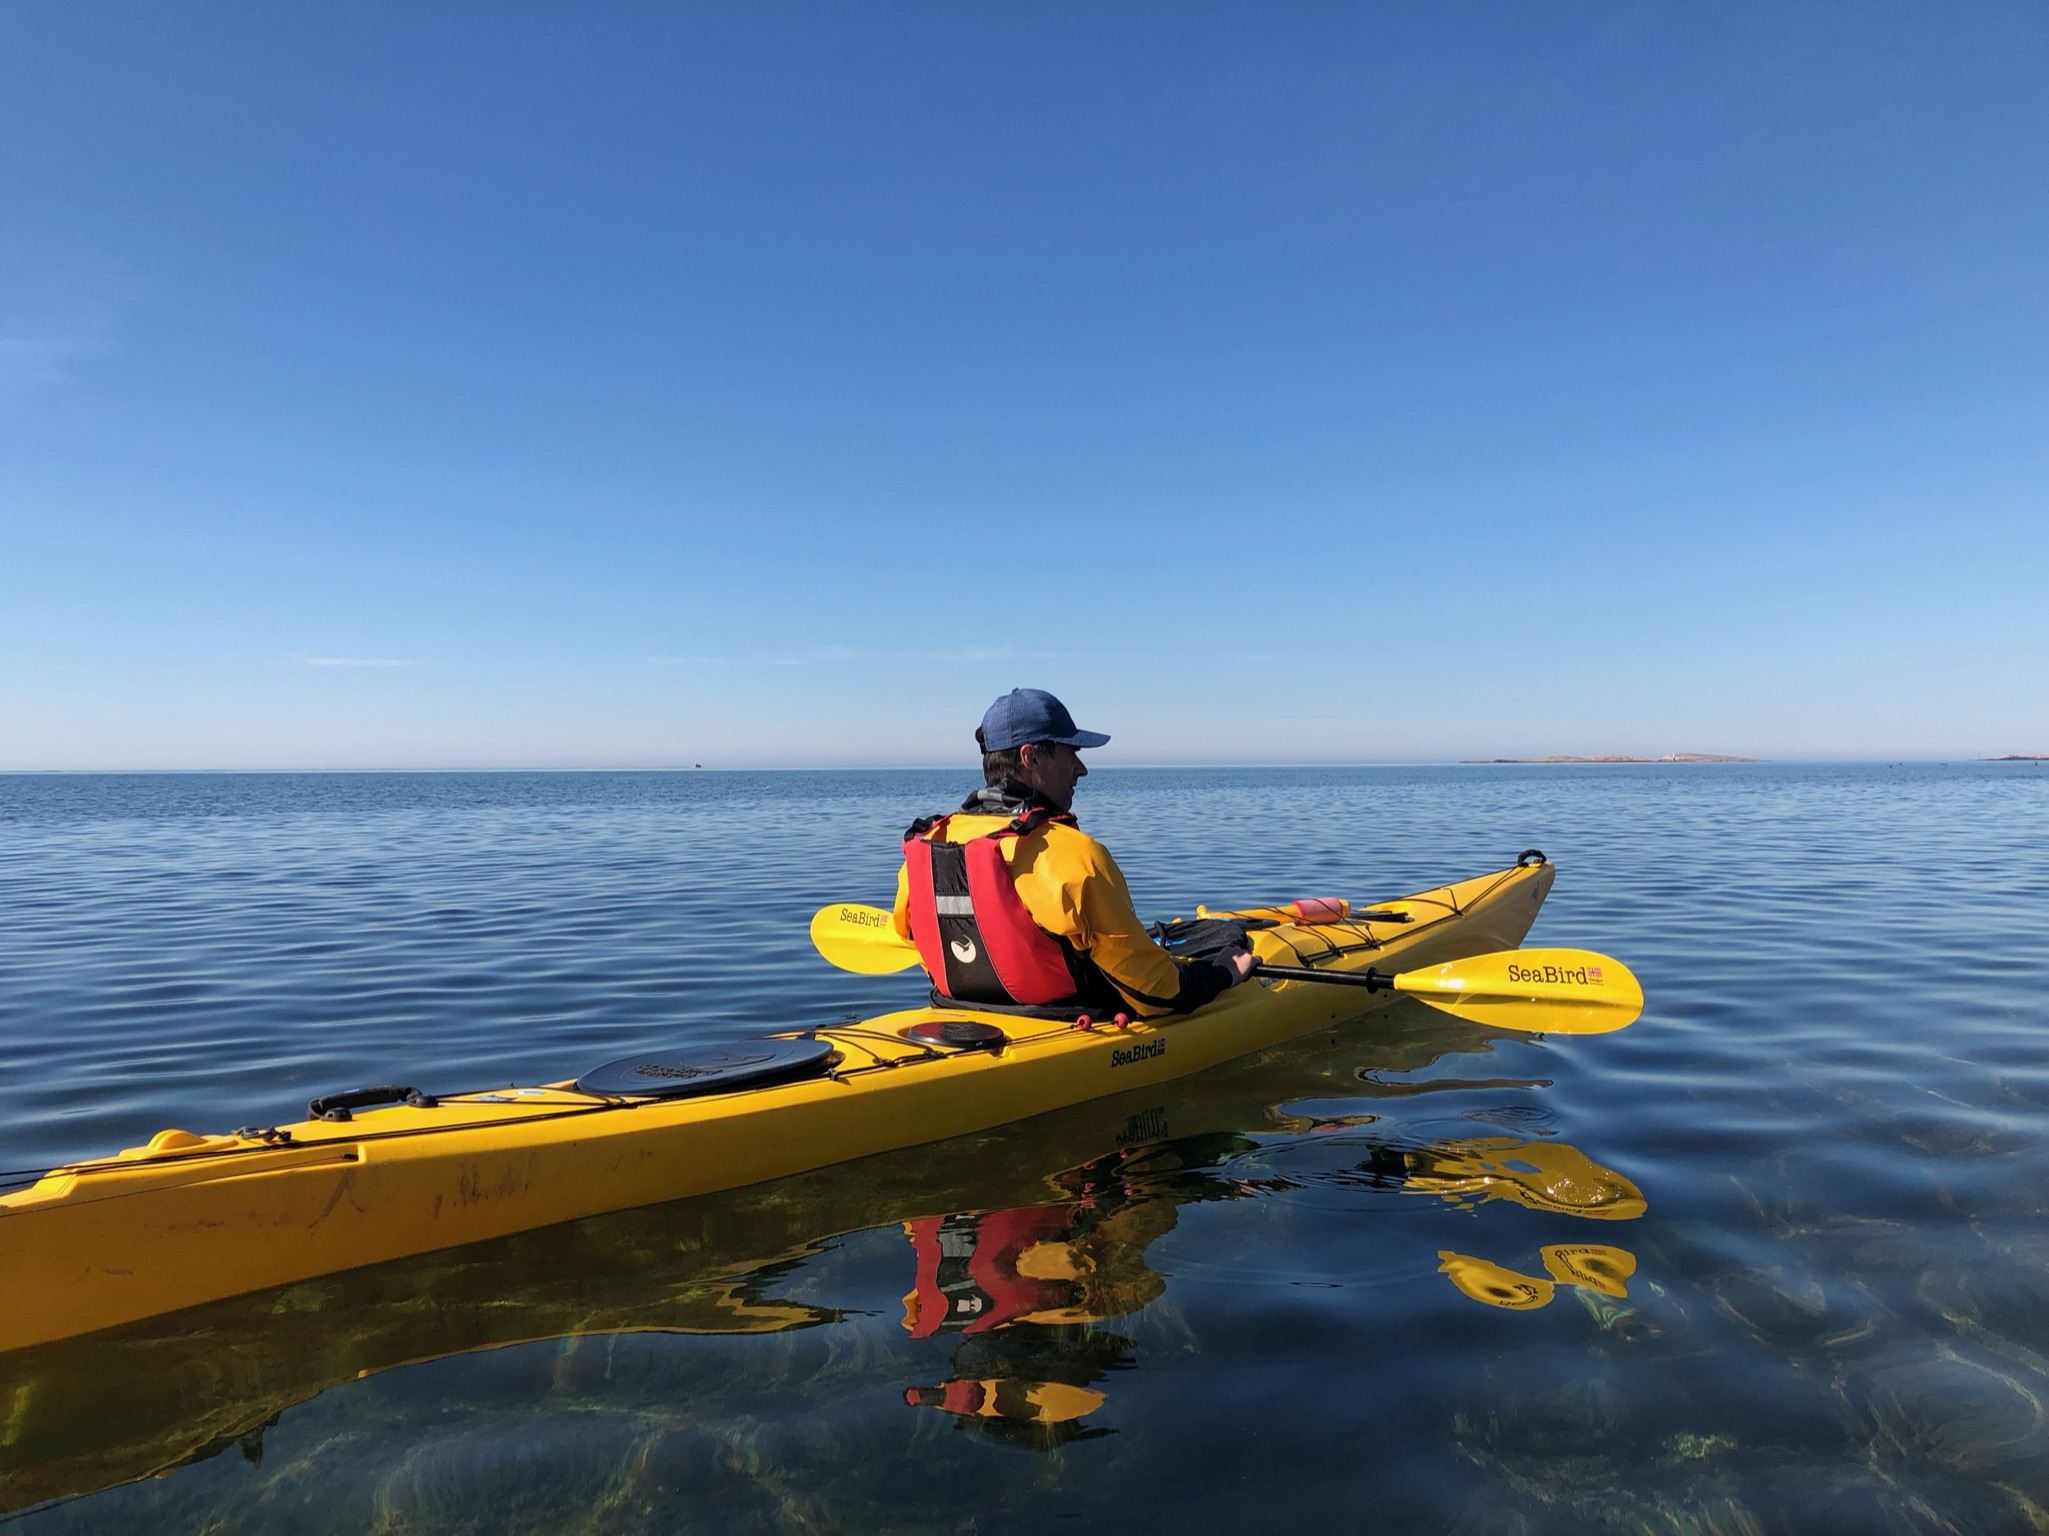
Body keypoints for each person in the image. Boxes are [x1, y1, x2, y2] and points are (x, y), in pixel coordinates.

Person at [891, 688, 1256, 1017]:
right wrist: (1221, 973)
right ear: (1030, 757)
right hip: (1065, 1024)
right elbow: (1157, 994)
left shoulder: (929, 846)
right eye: (1071, 754)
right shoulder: (1073, 855)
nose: (1081, 769)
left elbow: (912, 937)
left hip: (956, 1017)